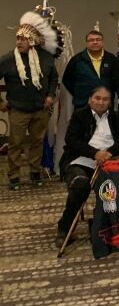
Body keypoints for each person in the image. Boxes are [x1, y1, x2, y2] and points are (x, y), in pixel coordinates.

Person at [55, 86, 119, 247]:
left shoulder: (117, 118)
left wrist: (109, 153)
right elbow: (72, 140)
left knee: (110, 189)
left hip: (109, 163)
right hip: (80, 161)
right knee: (80, 185)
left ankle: (100, 225)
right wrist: (94, 153)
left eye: (105, 99)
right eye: (97, 98)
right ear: (90, 99)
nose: (101, 102)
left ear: (110, 102)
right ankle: (65, 227)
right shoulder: (79, 116)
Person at [0, 11, 61, 189]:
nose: (19, 41)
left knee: (36, 142)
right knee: (15, 144)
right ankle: (14, 177)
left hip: (40, 109)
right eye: (18, 38)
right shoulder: (8, 59)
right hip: (18, 110)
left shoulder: (45, 58)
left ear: (32, 41)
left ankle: (35, 174)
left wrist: (50, 95)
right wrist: (1, 103)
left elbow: (53, 79)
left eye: (23, 39)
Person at [62, 30, 119, 108]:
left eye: (98, 39)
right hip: (83, 105)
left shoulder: (112, 59)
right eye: (91, 40)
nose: (95, 42)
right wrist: (80, 93)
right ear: (87, 43)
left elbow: (117, 81)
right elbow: (67, 80)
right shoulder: (77, 60)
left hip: (106, 104)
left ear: (102, 42)